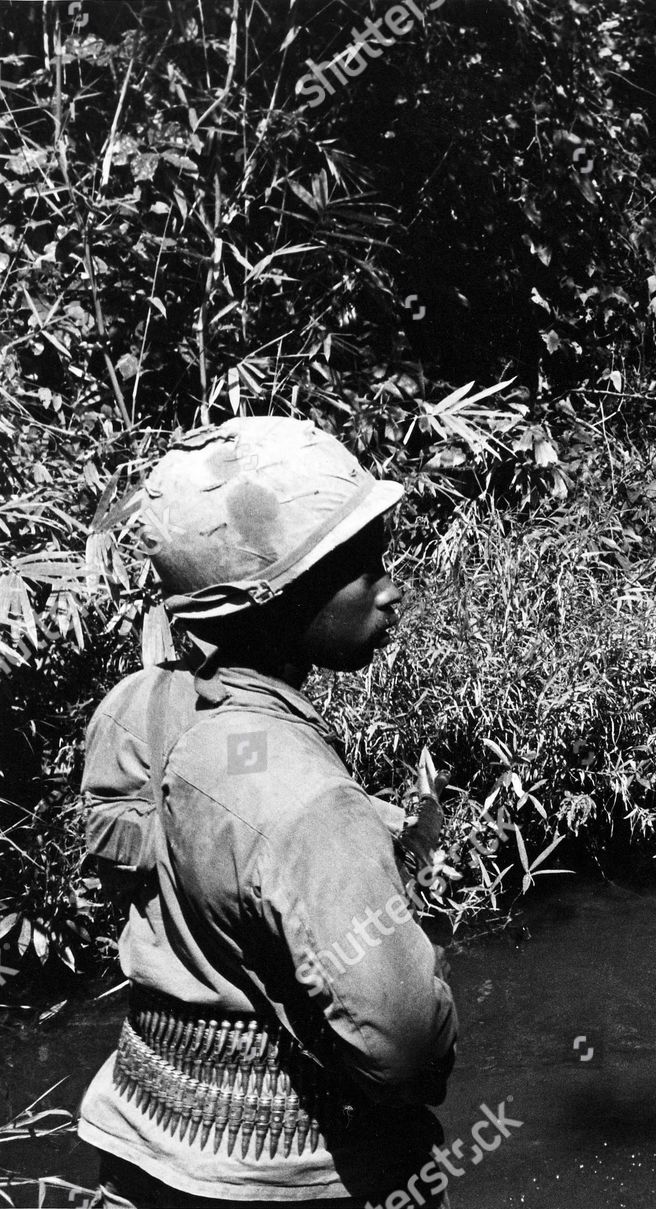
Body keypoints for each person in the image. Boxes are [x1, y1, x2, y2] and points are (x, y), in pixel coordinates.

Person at [77, 417, 458, 1206]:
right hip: (293, 1174)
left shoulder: (132, 709)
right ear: (268, 600)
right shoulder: (307, 797)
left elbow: (200, 868)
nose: (389, 589)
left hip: (144, 1139)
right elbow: (405, 1048)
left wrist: (391, 843)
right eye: (360, 567)